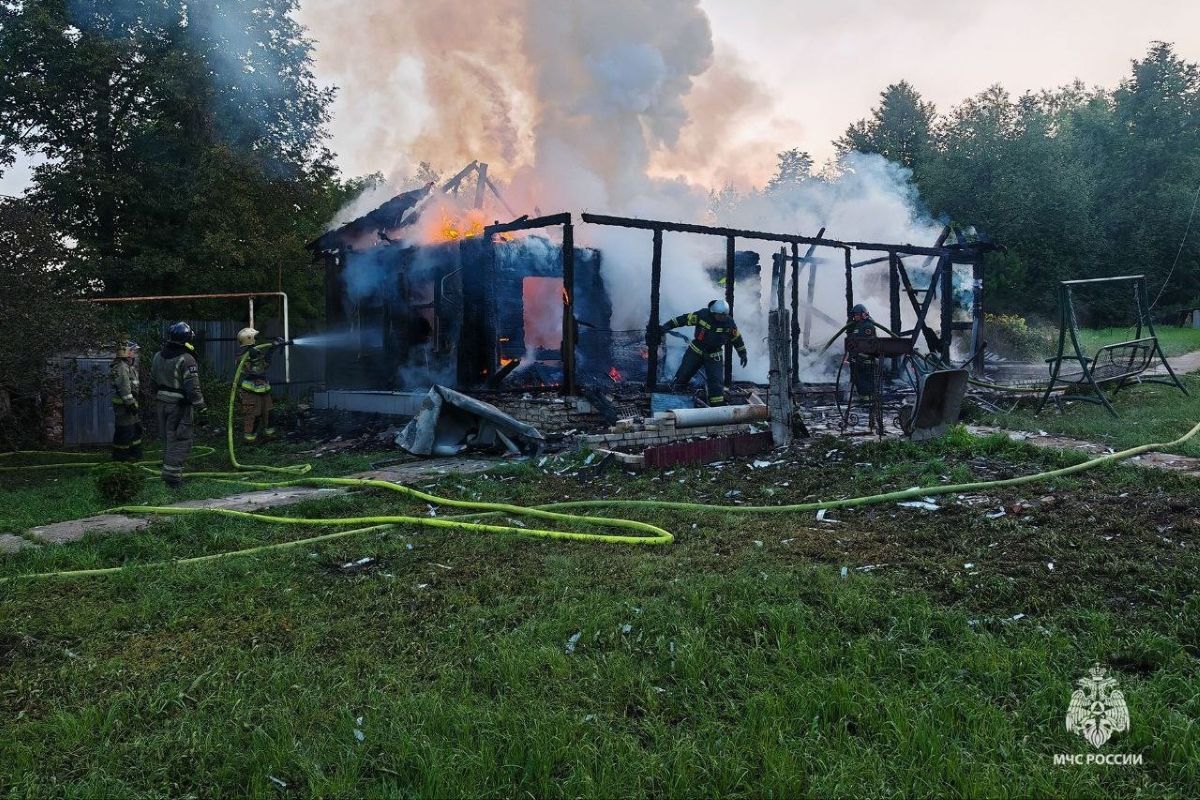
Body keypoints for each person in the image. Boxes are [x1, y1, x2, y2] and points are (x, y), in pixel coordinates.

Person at [661, 299, 748, 406]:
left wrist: (742, 353)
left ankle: (717, 408)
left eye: (724, 315)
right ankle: (675, 399)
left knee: (716, 384)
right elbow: (684, 319)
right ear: (713, 312)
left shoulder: (729, 323)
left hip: (714, 356)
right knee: (683, 375)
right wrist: (668, 325)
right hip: (695, 351)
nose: (722, 317)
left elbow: (736, 338)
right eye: (720, 315)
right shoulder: (702, 315)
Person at [151, 322, 205, 488]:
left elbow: (153, 382)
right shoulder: (187, 358)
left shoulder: (158, 356)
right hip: (179, 406)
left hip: (161, 403)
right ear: (186, 339)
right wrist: (201, 408)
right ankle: (173, 480)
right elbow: (193, 387)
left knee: (168, 438)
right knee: (180, 440)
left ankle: (168, 472)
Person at [235, 327, 287, 444]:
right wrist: (254, 357)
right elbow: (256, 370)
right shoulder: (242, 355)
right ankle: (249, 441)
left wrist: (272, 350)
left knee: (269, 414)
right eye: (255, 337)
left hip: (263, 390)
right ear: (249, 339)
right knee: (253, 416)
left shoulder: (255, 352)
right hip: (251, 392)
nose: (256, 339)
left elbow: (264, 365)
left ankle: (270, 436)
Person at [109, 340, 143, 461]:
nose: (135, 353)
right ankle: (121, 457)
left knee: (134, 430)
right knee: (124, 431)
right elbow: (124, 388)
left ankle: (134, 454)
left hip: (130, 406)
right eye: (133, 350)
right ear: (126, 352)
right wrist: (130, 404)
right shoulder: (122, 367)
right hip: (124, 408)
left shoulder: (128, 366)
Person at [846, 303, 877, 398]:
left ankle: (868, 401)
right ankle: (864, 400)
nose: (855, 317)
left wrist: (859, 357)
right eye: (854, 315)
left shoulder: (868, 326)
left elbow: (867, 345)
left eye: (857, 315)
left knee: (865, 384)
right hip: (857, 360)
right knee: (859, 382)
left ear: (863, 314)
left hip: (865, 362)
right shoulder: (857, 326)